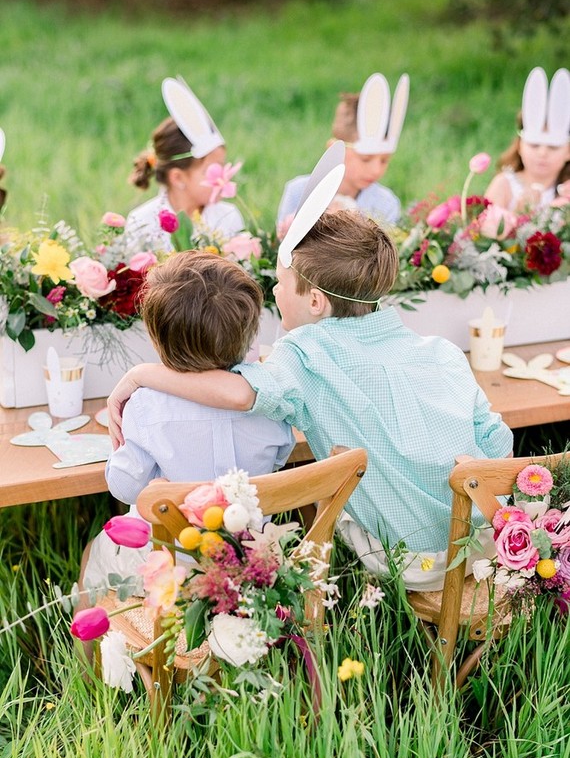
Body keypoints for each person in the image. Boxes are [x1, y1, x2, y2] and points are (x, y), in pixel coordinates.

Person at [107, 204, 513, 592]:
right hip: (486, 544)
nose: (273, 289)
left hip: (409, 560)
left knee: (332, 490)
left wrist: (141, 374)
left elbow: (236, 394)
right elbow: (499, 444)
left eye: (281, 282)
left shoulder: (304, 353)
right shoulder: (441, 352)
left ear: (315, 301)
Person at [80, 251, 294, 593]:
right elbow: (282, 458)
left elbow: (125, 488)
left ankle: (81, 649)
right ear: (249, 333)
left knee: (96, 551)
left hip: (170, 563)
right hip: (249, 559)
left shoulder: (146, 406)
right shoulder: (268, 401)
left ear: (156, 339)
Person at [124, 77, 244, 251]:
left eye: (222, 167)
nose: (223, 179)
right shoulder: (143, 222)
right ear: (178, 177)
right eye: (212, 172)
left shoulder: (227, 216)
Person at [277, 73, 409, 229]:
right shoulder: (299, 191)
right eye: (365, 159)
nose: (376, 170)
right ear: (334, 150)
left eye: (384, 160)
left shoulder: (385, 204)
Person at [485, 67, 570, 212]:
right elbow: (485, 230)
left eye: (553, 147)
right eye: (534, 145)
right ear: (519, 146)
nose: (543, 153)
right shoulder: (504, 185)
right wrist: (519, 214)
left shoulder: (566, 190)